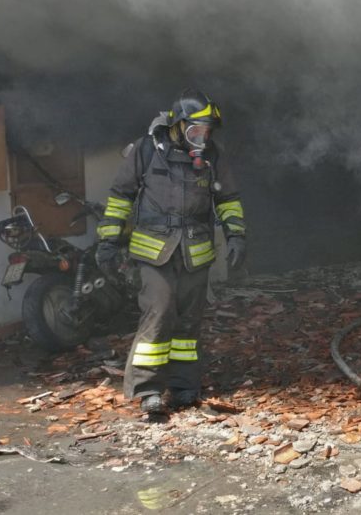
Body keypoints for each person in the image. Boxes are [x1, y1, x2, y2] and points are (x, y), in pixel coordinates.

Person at [95, 89, 247, 414]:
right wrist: (108, 242)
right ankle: (148, 391)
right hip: (154, 253)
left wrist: (236, 236)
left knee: (189, 325)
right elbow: (120, 196)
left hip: (196, 253)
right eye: (195, 131)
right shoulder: (147, 150)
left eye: (206, 132)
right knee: (159, 314)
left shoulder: (212, 156)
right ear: (178, 125)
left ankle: (184, 388)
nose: (201, 138)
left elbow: (228, 199)